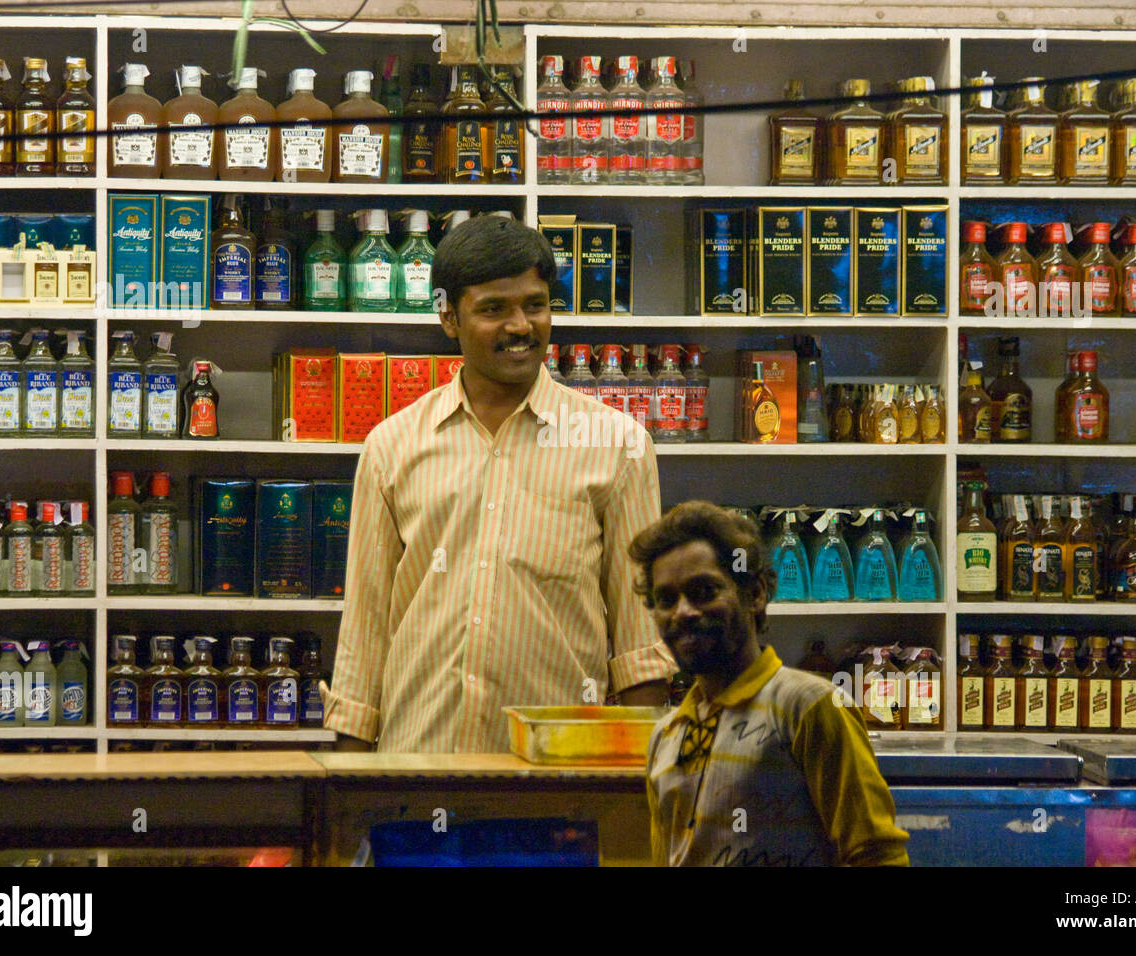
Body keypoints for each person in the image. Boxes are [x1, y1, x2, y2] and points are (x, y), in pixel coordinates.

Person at [323, 214, 673, 752]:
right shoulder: (392, 445)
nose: (520, 326)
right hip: (419, 761)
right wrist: (349, 789)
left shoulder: (617, 445)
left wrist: (635, 782)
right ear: (448, 317)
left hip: (557, 771)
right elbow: (365, 629)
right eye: (493, 309)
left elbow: (639, 640)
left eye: (534, 304)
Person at [630, 500, 910, 866]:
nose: (682, 611)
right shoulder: (665, 738)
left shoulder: (810, 707)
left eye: (703, 592)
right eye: (666, 599)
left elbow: (876, 855)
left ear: (756, 592)